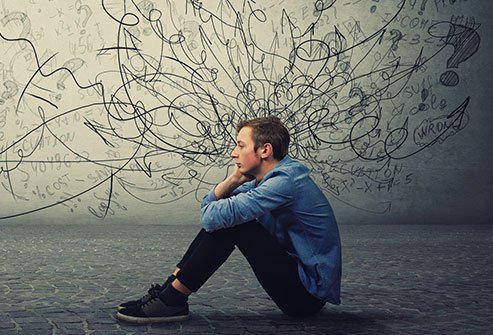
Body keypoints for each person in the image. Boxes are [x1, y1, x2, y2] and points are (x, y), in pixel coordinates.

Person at [116, 116, 342, 324]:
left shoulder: (284, 182)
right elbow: (210, 210)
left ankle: (172, 298)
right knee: (229, 219)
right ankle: (169, 293)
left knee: (235, 224)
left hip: (306, 295)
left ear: (265, 150)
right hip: (298, 281)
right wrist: (233, 180)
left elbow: (211, 216)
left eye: (240, 145)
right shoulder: (269, 179)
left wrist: (231, 185)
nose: (234, 153)